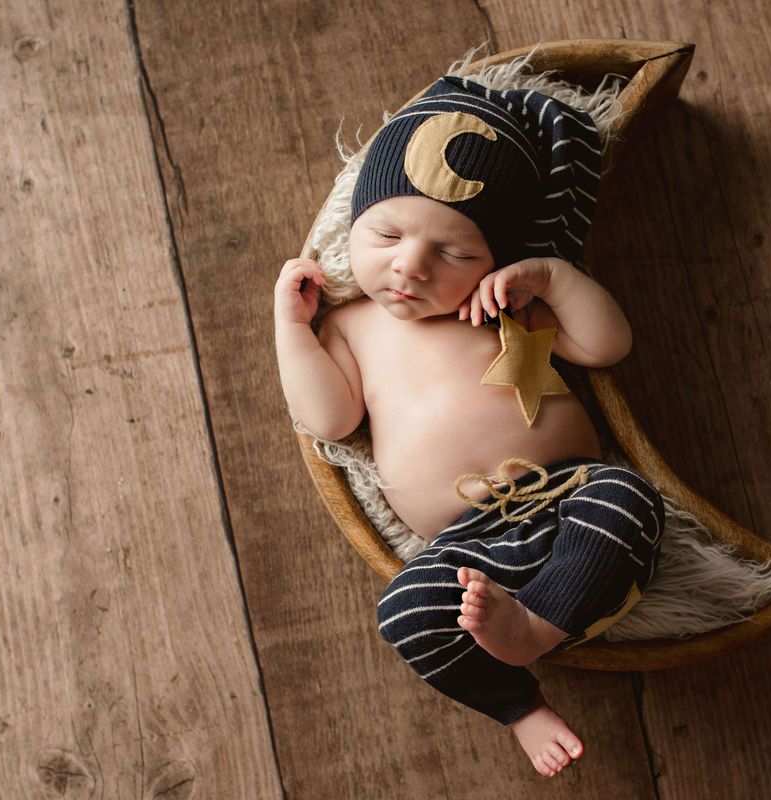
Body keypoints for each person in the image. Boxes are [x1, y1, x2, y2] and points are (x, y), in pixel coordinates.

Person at [274, 73, 666, 777]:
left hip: (567, 495)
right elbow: (329, 417)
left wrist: (551, 278)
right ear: (355, 224)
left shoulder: (501, 305)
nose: (411, 266)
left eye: (455, 253)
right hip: (464, 546)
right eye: (387, 234)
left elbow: (607, 346)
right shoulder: (349, 325)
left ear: (497, 257)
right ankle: (520, 706)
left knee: (627, 498)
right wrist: (291, 327)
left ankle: (537, 627)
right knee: (405, 610)